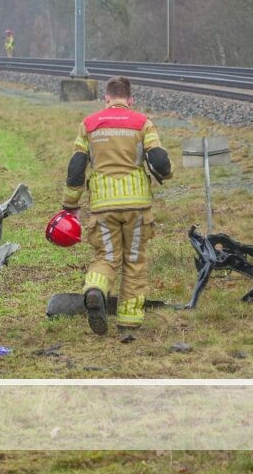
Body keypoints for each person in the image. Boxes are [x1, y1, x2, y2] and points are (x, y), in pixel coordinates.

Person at [62, 76, 173, 335]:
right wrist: (167, 175)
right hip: (137, 207)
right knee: (134, 261)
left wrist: (70, 204)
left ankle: (95, 290)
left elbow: (77, 167)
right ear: (130, 99)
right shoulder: (142, 123)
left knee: (107, 257)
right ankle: (129, 325)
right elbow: (160, 160)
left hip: (103, 206)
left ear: (107, 98)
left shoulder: (89, 125)